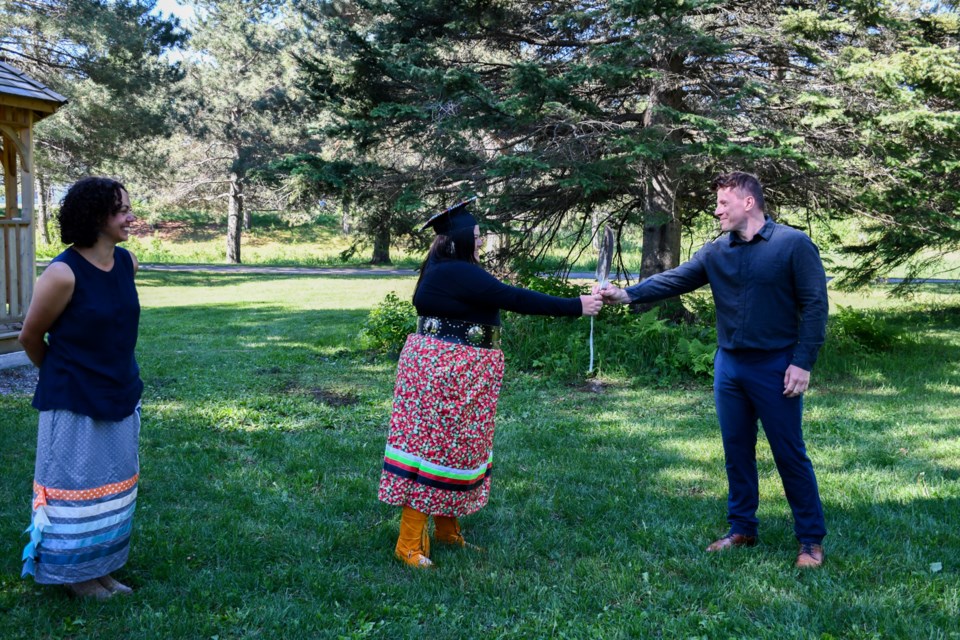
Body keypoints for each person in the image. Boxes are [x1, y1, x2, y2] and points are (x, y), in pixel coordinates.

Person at [597, 172, 829, 568]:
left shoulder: (793, 244)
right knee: (736, 450)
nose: (717, 210)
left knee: (789, 453)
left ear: (749, 203)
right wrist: (627, 294)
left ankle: (810, 540)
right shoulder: (717, 251)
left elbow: (815, 306)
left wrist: (802, 362)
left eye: (724, 203)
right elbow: (675, 279)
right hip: (730, 366)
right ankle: (742, 528)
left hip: (776, 365)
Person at [378, 198, 603, 568]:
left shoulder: (448, 268)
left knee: (454, 449)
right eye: (477, 237)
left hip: (457, 368)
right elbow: (513, 297)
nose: (481, 243)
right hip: (449, 370)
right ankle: (407, 544)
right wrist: (575, 305)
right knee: (433, 451)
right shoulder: (455, 271)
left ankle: (447, 531)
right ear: (461, 240)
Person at [18, 177, 143, 598]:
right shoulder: (62, 273)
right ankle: (74, 575)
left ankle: (101, 568)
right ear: (96, 216)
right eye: (121, 209)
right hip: (73, 398)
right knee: (75, 490)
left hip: (119, 392)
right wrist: (62, 374)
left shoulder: (128, 263)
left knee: (111, 487)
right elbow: (30, 338)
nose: (130, 215)